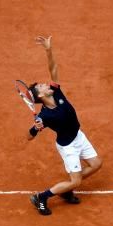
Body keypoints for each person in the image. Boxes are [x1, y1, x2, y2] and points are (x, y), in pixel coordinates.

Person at [27, 35, 102, 215]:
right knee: (76, 182)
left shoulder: (57, 92)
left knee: (96, 164)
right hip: (68, 146)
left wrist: (48, 49)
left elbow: (53, 68)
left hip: (79, 136)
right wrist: (35, 129)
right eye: (41, 87)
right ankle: (42, 197)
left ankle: (65, 189)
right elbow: (29, 136)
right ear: (41, 96)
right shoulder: (45, 116)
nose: (45, 84)